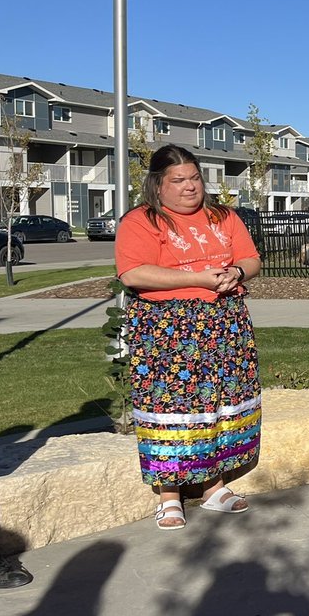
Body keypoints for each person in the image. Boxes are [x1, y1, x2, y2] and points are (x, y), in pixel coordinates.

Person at [115, 145, 262, 530]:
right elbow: (134, 274)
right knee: (173, 406)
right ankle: (169, 495)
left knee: (216, 401)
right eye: (178, 180)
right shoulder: (142, 221)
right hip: (169, 329)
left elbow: (251, 258)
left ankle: (213, 486)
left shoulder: (223, 216)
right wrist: (197, 278)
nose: (189, 187)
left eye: (194, 178)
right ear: (158, 186)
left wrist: (237, 274)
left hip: (224, 325)